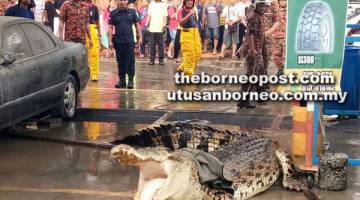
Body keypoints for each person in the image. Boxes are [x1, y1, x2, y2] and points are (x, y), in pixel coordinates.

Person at [237, 0, 268, 108]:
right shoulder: (253, 16)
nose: (263, 8)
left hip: (257, 49)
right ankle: (243, 100)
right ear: (255, 6)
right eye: (261, 6)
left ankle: (259, 96)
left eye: (264, 6)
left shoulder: (259, 16)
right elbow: (250, 34)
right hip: (253, 50)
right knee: (251, 75)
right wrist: (251, 49)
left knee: (259, 73)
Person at [108, 0, 142, 89]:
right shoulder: (113, 13)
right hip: (118, 42)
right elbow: (110, 28)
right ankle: (122, 81)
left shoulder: (132, 12)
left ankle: (130, 81)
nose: (123, 2)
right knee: (120, 62)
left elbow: (137, 25)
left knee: (130, 62)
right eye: (121, 0)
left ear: (126, 1)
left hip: (129, 41)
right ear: (117, 1)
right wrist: (110, 41)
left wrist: (140, 37)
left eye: (124, 0)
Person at [177, 0, 202, 76]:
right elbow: (180, 22)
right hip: (186, 34)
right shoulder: (181, 10)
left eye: (191, 0)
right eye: (187, 0)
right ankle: (189, 76)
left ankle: (181, 69)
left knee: (197, 54)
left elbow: (196, 22)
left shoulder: (194, 9)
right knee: (190, 56)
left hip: (195, 34)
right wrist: (189, 14)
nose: (189, 2)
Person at [146, 0, 168, 65]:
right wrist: (147, 24)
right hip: (152, 28)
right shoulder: (151, 4)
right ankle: (151, 60)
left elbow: (165, 16)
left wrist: (164, 25)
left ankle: (161, 60)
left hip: (160, 28)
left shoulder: (163, 5)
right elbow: (149, 15)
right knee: (151, 45)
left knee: (161, 45)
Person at [86, 0, 101, 82]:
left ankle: (94, 74)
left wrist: (99, 34)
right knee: (81, 54)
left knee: (94, 53)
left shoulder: (95, 8)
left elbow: (98, 22)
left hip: (92, 29)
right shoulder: (80, 6)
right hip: (82, 29)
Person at [273, 0, 286, 76]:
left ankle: (288, 70)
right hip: (276, 37)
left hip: (286, 37)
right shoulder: (275, 10)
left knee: (285, 55)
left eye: (284, 0)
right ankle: (280, 70)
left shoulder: (290, 10)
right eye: (281, 0)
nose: (283, 2)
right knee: (277, 55)